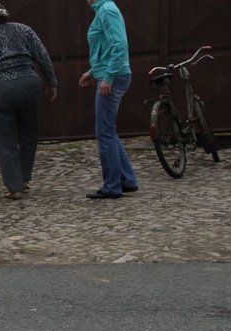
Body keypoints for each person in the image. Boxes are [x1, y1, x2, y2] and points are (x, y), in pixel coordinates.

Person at [0, 3, 58, 200]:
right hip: (30, 85)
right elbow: (43, 55)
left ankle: (14, 188)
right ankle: (23, 179)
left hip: (1, 89)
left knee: (5, 139)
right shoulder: (25, 30)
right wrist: (51, 82)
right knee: (29, 134)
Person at [79, 0, 138, 199]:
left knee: (104, 131)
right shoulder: (103, 10)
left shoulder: (106, 10)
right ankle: (127, 180)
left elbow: (119, 45)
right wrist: (92, 71)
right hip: (108, 73)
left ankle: (112, 186)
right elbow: (105, 49)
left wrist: (108, 77)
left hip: (113, 76)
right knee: (108, 130)